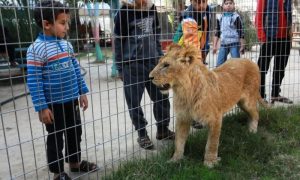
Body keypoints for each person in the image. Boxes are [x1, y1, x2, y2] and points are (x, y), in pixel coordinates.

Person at [26, 1, 97, 179]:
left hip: (71, 99)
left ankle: (75, 163)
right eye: (63, 23)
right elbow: (34, 81)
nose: (67, 27)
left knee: (75, 132)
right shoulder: (36, 49)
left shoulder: (67, 45)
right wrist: (42, 107)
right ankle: (58, 173)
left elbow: (75, 70)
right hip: (53, 105)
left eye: (68, 22)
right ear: (47, 24)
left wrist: (82, 92)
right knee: (56, 138)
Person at [114, 0, 175, 149]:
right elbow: (118, 42)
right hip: (133, 65)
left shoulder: (151, 8)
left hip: (153, 63)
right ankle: (142, 134)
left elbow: (156, 33)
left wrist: (160, 58)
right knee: (134, 103)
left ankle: (162, 129)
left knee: (161, 96)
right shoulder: (124, 12)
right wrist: (120, 67)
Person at [255, 0, 293, 104]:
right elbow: (259, 15)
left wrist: (290, 34)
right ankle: (260, 95)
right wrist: (262, 36)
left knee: (280, 68)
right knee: (262, 68)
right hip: (269, 37)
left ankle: (275, 94)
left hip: (285, 38)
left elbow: (288, 16)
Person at [173, 0, 210, 64]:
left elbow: (204, 34)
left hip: (190, 50)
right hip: (180, 52)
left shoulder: (204, 13)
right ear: (191, 1)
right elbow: (191, 45)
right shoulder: (189, 17)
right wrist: (198, 62)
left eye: (204, 2)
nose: (201, 5)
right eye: (198, 2)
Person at [213, 0, 245, 66]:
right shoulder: (220, 17)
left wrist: (242, 45)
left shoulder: (236, 17)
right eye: (226, 3)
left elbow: (241, 32)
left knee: (236, 64)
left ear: (234, 5)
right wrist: (214, 46)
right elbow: (217, 32)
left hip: (234, 44)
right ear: (223, 6)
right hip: (223, 44)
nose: (228, 5)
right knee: (219, 65)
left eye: (230, 3)